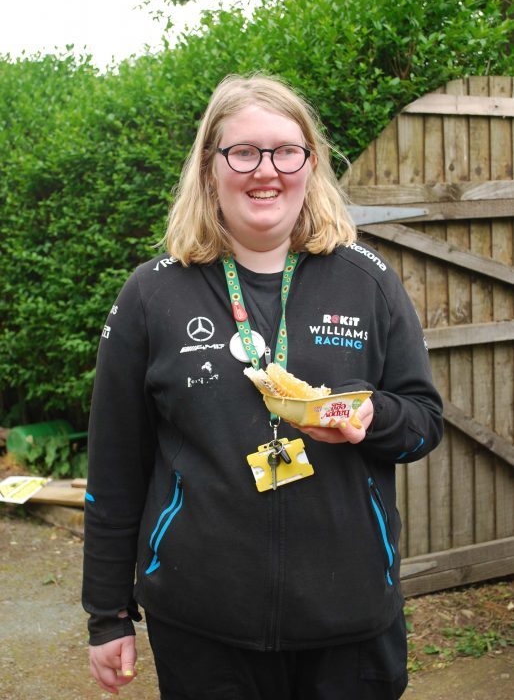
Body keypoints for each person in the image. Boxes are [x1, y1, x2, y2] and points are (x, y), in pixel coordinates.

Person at [83, 73, 443, 699]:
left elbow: (423, 424)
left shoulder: (370, 282)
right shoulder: (152, 293)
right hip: (203, 625)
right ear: (209, 165)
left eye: (286, 151)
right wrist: (107, 615)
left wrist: (371, 418)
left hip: (350, 618)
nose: (266, 171)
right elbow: (115, 466)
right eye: (243, 151)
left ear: (311, 164)